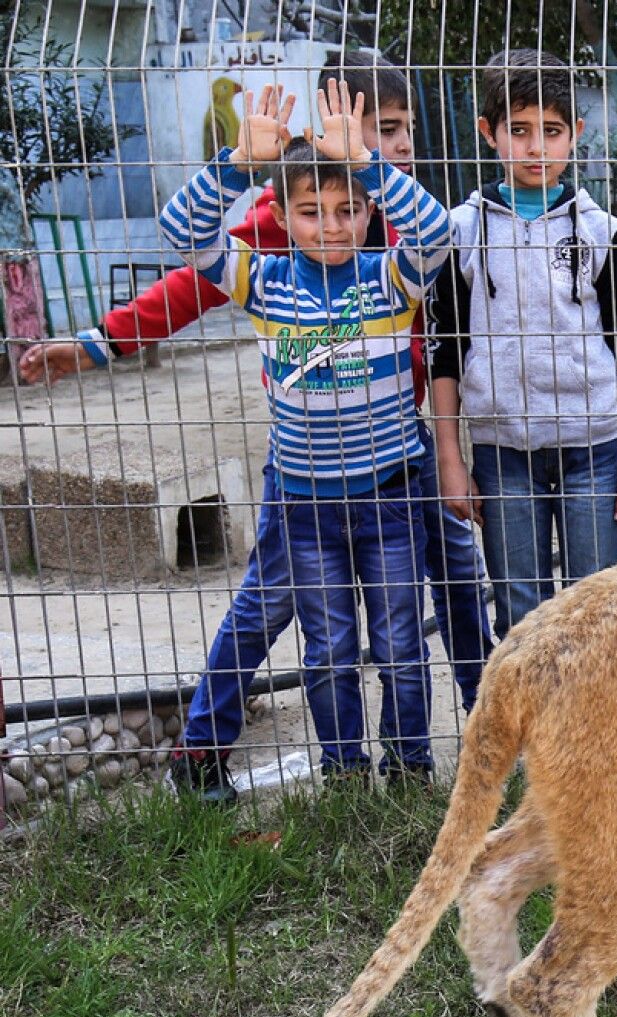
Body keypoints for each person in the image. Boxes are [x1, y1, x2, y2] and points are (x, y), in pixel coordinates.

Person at [18, 52, 491, 801]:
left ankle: (479, 734)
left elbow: (444, 291)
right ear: (329, 134)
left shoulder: (400, 234)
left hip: (406, 457)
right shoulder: (283, 230)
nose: (398, 148)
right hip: (308, 480)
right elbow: (186, 275)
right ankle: (206, 749)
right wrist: (100, 341)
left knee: (449, 593)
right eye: (382, 131)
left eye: (403, 133)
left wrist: (447, 447)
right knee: (288, 614)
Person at [160, 80, 452, 785]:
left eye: (348, 210)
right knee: (327, 649)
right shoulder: (262, 282)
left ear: (368, 212)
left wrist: (368, 164)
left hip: (387, 497)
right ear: (283, 217)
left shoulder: (389, 280)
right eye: (311, 212)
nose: (331, 225)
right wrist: (237, 165)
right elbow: (181, 236)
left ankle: (409, 766)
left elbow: (437, 233)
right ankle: (346, 773)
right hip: (305, 505)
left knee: (400, 642)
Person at [429, 48, 617, 637]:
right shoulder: (460, 233)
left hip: (595, 450)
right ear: (489, 133)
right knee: (522, 616)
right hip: (503, 457)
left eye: (551, 131)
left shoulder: (604, 232)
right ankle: (533, 734)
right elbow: (444, 353)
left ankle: (599, 732)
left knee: (598, 611)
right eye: (519, 131)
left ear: (575, 134)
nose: (536, 148)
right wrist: (451, 461)